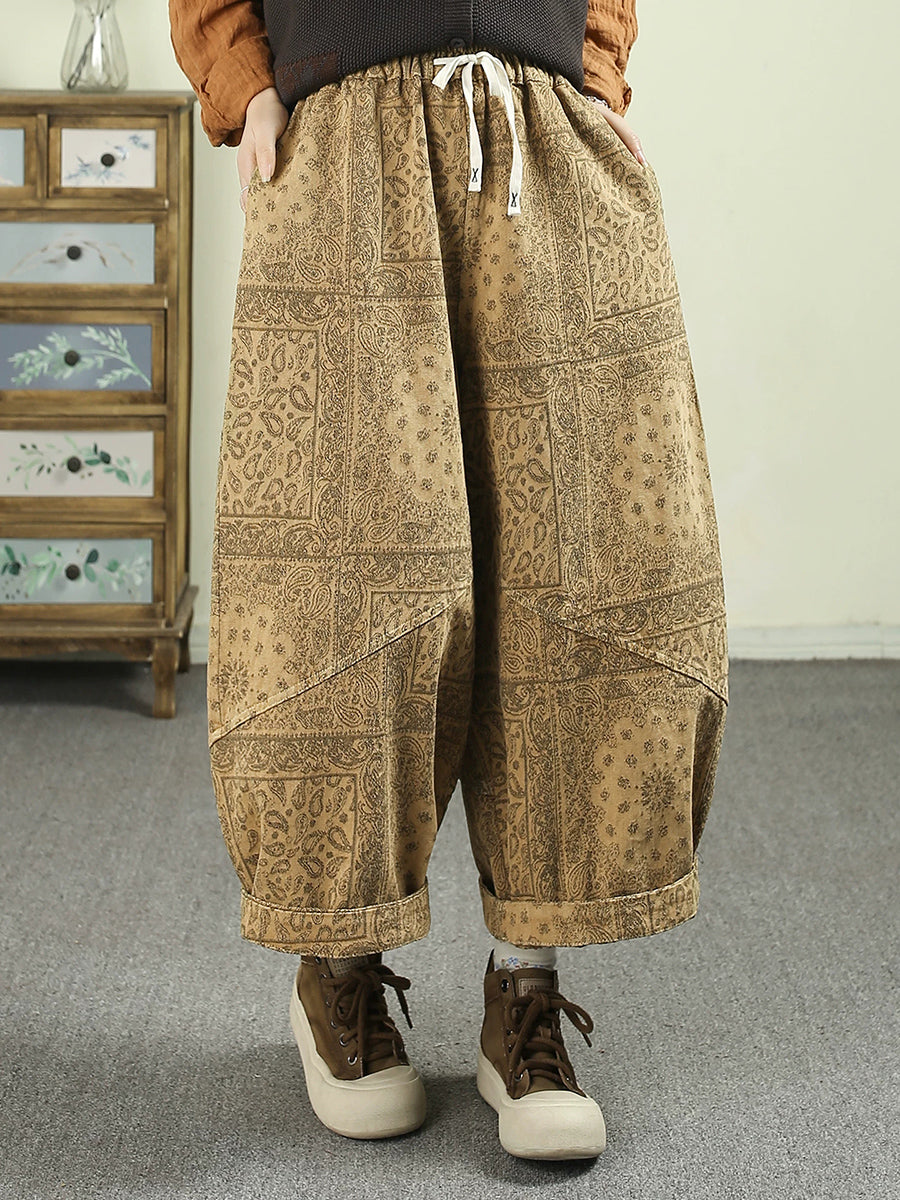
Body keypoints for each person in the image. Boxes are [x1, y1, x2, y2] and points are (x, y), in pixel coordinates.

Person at [168, 0, 729, 1161]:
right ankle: (338, 970)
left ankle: (526, 991)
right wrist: (244, 83)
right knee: (344, 583)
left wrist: (596, 76)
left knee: (573, 573)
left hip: (541, 134)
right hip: (339, 135)